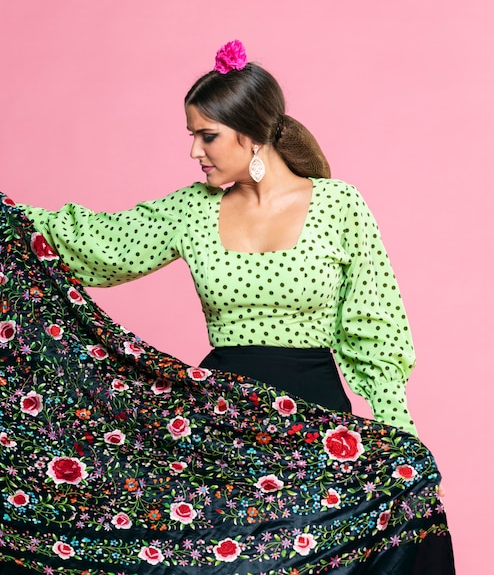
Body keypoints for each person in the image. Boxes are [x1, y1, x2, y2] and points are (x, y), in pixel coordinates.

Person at [0, 40, 455, 574]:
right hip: (220, 420)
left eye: (207, 135)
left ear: (252, 134)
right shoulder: (192, 208)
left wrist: (398, 433)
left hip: (316, 420)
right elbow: (96, 240)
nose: (196, 151)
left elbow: (374, 328)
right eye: (192, 135)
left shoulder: (339, 205)